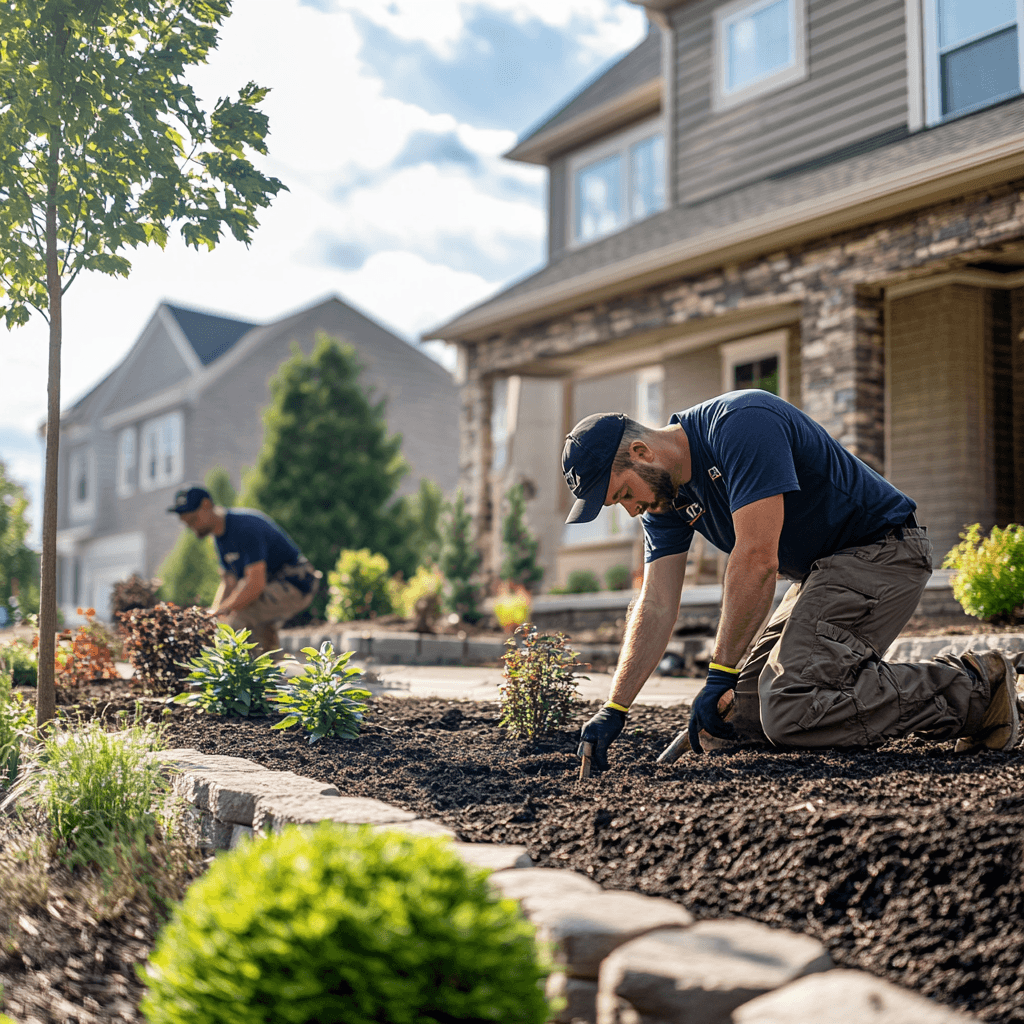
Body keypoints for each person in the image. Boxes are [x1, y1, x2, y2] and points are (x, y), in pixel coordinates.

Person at [563, 390, 1020, 771]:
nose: (631, 509)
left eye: (623, 494)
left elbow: (757, 558)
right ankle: (864, 695)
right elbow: (656, 602)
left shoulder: (740, 424)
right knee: (734, 718)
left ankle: (978, 689)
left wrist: (719, 673)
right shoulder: (665, 499)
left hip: (882, 552)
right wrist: (614, 709)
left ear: (641, 454)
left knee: (789, 706)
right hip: (822, 574)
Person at [168, 486, 320, 658]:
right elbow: (229, 582)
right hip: (271, 587)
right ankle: (267, 676)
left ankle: (224, 677)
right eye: (187, 523)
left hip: (295, 583)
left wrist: (221, 613)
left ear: (206, 505)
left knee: (238, 619)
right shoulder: (219, 539)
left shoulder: (245, 527)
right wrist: (212, 614)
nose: (191, 527)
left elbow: (255, 584)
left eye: (193, 520)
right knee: (257, 637)